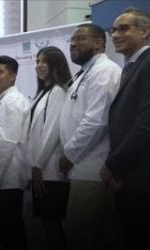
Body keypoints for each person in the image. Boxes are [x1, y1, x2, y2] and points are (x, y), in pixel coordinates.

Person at [59, 23, 121, 250]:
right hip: (81, 167)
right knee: (83, 233)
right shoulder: (86, 72)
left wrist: (69, 155)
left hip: (93, 168)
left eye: (80, 39)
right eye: (71, 40)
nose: (73, 44)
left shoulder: (105, 71)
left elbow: (96, 121)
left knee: (85, 234)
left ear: (98, 43)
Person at [101, 7, 150, 249]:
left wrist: (114, 164)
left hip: (141, 176)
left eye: (123, 28)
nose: (115, 35)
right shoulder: (131, 67)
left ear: (145, 31)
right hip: (128, 176)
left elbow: (145, 125)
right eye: (113, 30)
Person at [23, 47, 71, 250]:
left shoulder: (58, 91)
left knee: (52, 225)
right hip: (40, 170)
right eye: (37, 61)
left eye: (44, 61)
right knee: (45, 224)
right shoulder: (43, 93)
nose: (39, 66)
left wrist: (37, 166)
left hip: (48, 171)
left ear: (56, 64)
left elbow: (52, 131)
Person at [0, 56, 30, 250]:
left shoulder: (12, 101)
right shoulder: (3, 100)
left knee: (11, 233)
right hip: (4, 179)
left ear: (13, 76)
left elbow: (6, 142)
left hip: (8, 179)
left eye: (0, 72)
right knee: (7, 232)